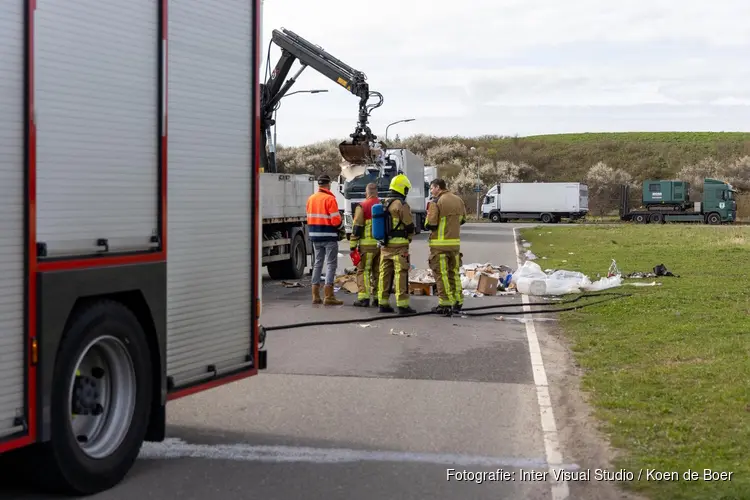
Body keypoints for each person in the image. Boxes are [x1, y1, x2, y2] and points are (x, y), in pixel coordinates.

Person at [424, 178, 466, 315]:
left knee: (441, 275)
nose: (431, 191)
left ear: (437, 187)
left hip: (439, 246)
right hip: (454, 245)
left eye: (431, 188)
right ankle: (458, 301)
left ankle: (445, 304)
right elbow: (462, 220)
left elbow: (430, 224)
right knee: (454, 273)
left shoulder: (436, 202)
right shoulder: (458, 200)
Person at [377, 174, 417, 315]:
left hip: (385, 246)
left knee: (384, 275)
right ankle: (403, 305)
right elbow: (409, 225)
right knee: (401, 274)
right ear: (402, 188)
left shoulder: (384, 202)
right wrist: (410, 236)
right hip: (400, 247)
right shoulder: (401, 204)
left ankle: (383, 303)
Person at [306, 174, 346, 305]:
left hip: (315, 236)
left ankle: (315, 295)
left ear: (319, 185)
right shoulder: (330, 199)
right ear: (328, 185)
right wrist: (342, 228)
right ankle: (329, 296)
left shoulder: (311, 199)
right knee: (330, 264)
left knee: (317, 263)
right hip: (329, 236)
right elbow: (335, 221)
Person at [349, 182, 380, 307]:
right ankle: (379, 298)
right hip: (381, 246)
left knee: (363, 271)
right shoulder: (382, 205)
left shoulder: (362, 206)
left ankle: (364, 297)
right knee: (378, 272)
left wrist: (352, 245)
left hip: (366, 246)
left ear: (366, 193)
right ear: (376, 192)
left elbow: (357, 227)